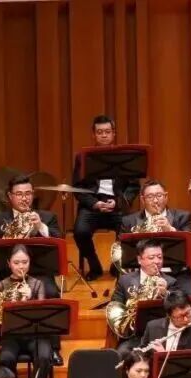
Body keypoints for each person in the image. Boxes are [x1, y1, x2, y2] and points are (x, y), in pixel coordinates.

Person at [71, 115, 140, 280]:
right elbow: (77, 188)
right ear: (93, 135)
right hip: (92, 206)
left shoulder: (125, 156)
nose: (104, 135)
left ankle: (116, 265)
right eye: (100, 132)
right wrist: (94, 204)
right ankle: (94, 267)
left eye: (107, 132)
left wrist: (118, 202)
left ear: (113, 134)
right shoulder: (83, 157)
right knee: (80, 231)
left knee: (130, 229)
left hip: (117, 205)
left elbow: (134, 186)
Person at [0, 245, 53, 378]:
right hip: (11, 335)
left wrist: (30, 298)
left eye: (25, 262)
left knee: (44, 356)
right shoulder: (0, 286)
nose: (21, 266)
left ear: (30, 262)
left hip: (35, 335)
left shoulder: (37, 284)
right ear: (9, 263)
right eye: (16, 262)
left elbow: (42, 312)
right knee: (5, 358)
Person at [120, 179, 191, 292]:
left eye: (159, 195)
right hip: (142, 274)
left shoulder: (182, 216)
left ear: (166, 197)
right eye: (150, 197)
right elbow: (122, 251)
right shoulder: (129, 221)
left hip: (176, 273)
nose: (155, 200)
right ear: (142, 199)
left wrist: (170, 229)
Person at [108, 237, 177, 353]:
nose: (157, 261)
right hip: (135, 336)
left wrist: (166, 293)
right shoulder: (125, 281)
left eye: (160, 257)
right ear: (139, 260)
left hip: (161, 335)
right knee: (122, 353)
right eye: (151, 257)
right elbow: (116, 305)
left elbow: (177, 308)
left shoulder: (170, 282)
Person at [0, 174, 62, 241]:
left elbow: (59, 241)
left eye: (28, 193)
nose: (24, 198)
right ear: (10, 196)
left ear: (33, 194)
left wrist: (40, 226)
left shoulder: (49, 218)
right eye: (19, 194)